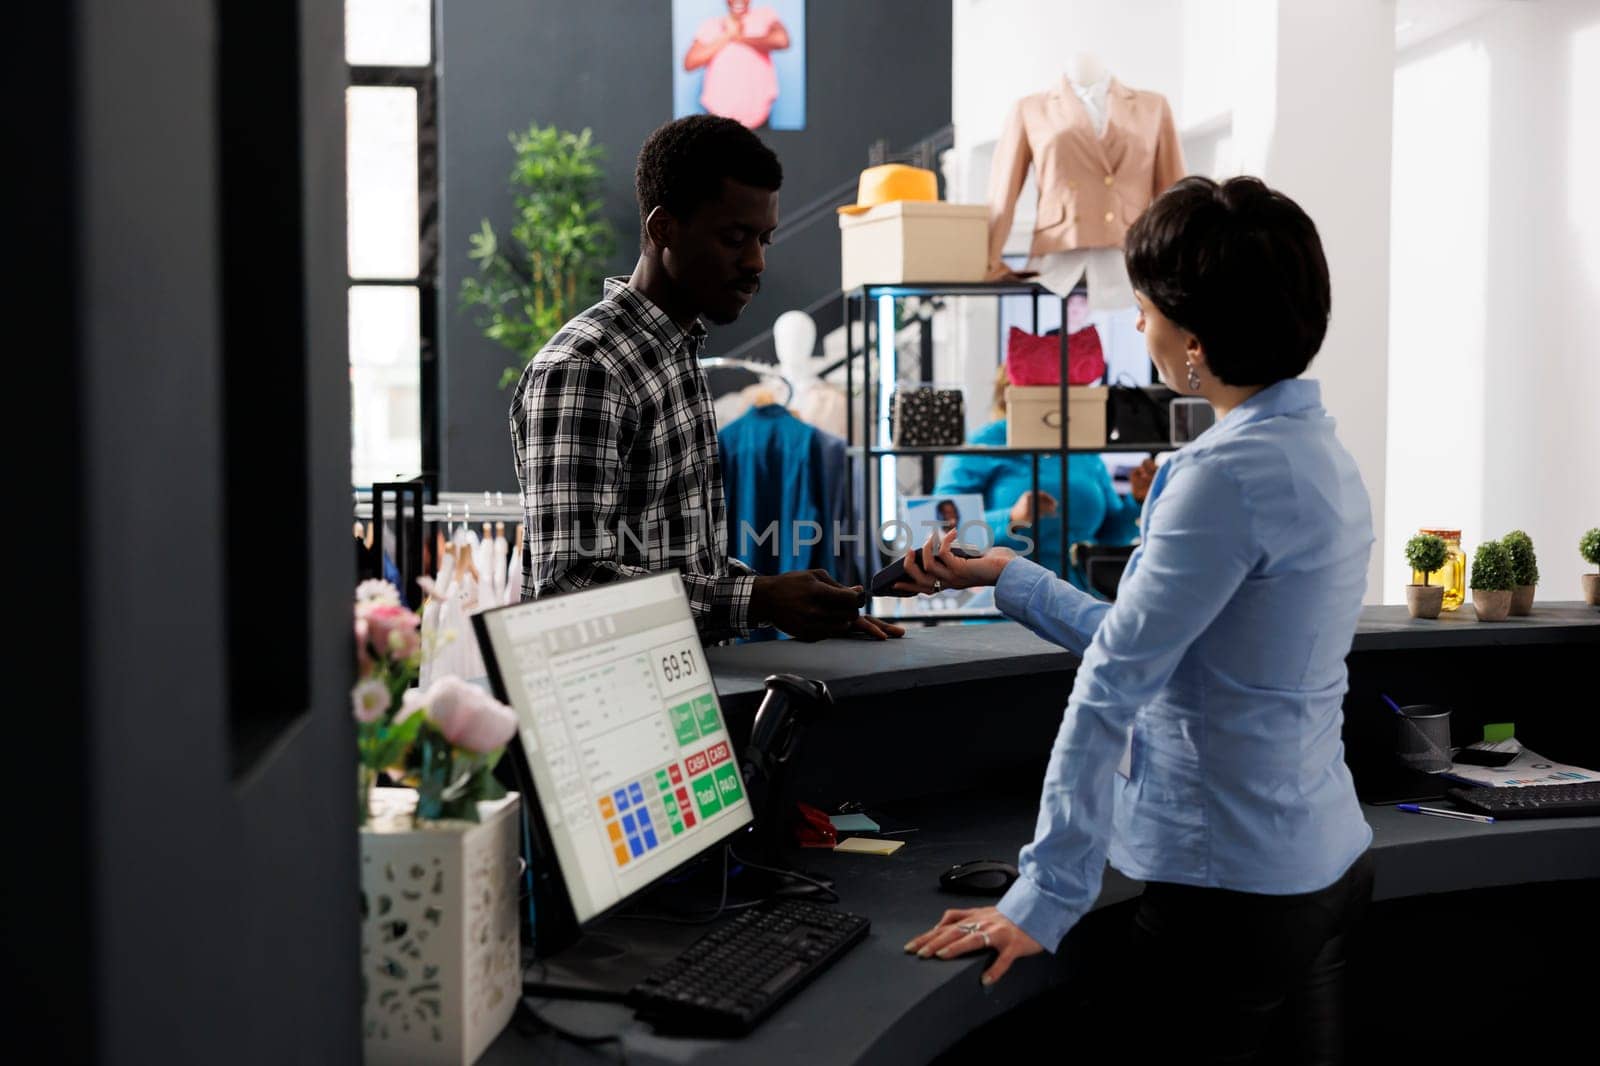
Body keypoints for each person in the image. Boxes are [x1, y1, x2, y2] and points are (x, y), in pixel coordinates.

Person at [901, 176, 1376, 1064]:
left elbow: (1115, 683)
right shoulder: (1321, 455)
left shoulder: (1220, 476)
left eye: (1148, 308)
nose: (1141, 326)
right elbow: (1179, 650)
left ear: (1193, 341)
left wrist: (1041, 896)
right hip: (1326, 866)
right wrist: (1019, 578)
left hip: (1229, 898)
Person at [510, 116, 902, 643]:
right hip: (612, 709)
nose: (757, 261)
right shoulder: (585, 369)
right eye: (734, 238)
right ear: (662, 229)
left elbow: (681, 559)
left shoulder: (676, 353)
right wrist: (759, 598)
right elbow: (572, 587)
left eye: (764, 239)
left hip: (686, 691)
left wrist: (791, 603)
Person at [933, 364, 1155, 590]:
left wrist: (1136, 501)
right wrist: (1010, 517)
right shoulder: (986, 442)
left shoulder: (1081, 448)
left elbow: (1110, 535)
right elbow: (937, 526)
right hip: (1002, 597)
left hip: (1075, 598)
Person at [683, 0, 791, 130]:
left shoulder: (765, 17)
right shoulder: (712, 25)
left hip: (758, 118)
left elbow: (782, 40)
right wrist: (728, 35)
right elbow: (690, 62)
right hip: (718, 119)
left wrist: (739, 37)